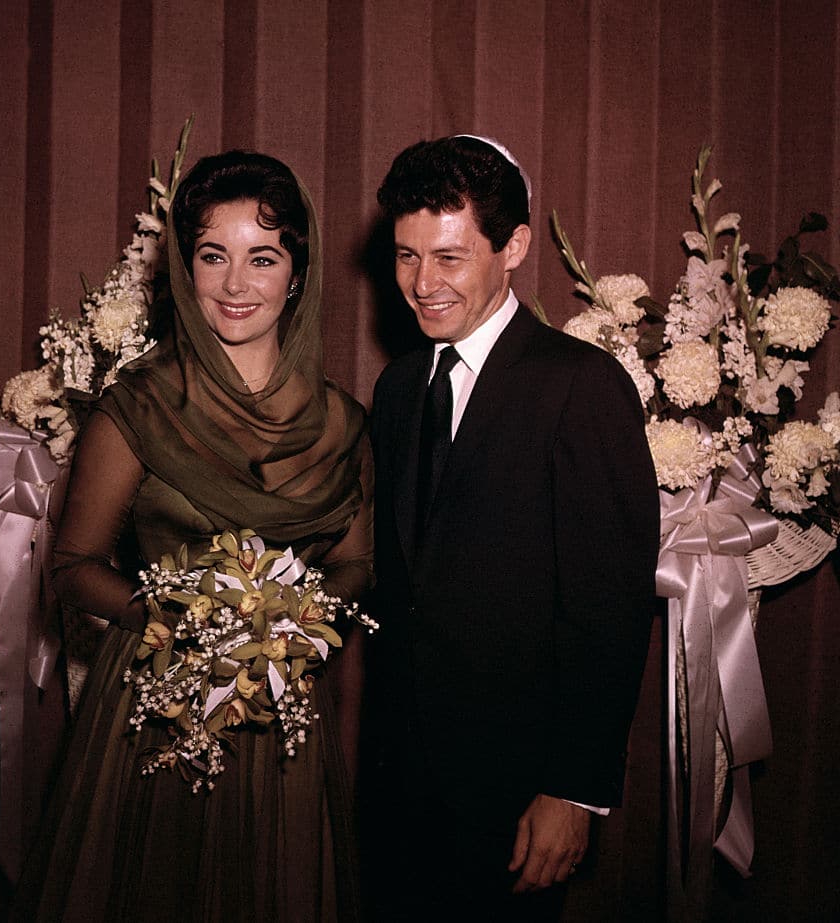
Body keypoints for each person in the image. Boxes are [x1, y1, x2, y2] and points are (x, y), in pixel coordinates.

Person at [10, 151, 372, 922]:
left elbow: (356, 564)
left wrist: (287, 620)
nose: (236, 285)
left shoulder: (344, 422)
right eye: (213, 256)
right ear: (184, 267)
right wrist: (181, 620)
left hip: (283, 712)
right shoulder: (136, 406)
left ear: (297, 274)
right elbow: (73, 567)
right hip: (154, 704)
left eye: (262, 258)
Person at [367, 135, 659, 920]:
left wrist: (574, 787)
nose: (422, 284)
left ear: (515, 247)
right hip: (399, 788)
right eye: (404, 256)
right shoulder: (396, 390)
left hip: (515, 794)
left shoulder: (583, 387)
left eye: (450, 257)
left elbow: (610, 609)